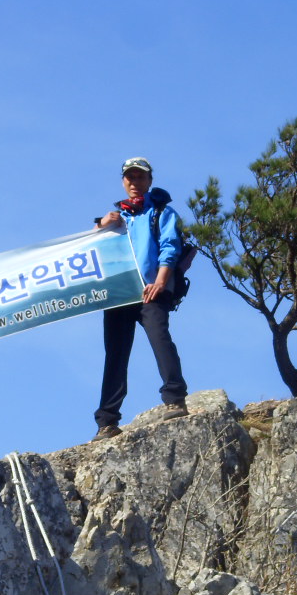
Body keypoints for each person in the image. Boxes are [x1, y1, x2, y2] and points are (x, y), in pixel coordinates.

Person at [92, 157, 188, 440]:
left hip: (151, 290)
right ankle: (107, 421)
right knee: (116, 355)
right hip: (120, 294)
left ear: (149, 181)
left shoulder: (161, 213)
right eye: (130, 178)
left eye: (140, 177)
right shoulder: (116, 217)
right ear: (123, 181)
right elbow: (91, 255)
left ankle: (175, 399)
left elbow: (170, 246)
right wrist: (101, 227)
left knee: (160, 340)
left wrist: (160, 282)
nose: (135, 182)